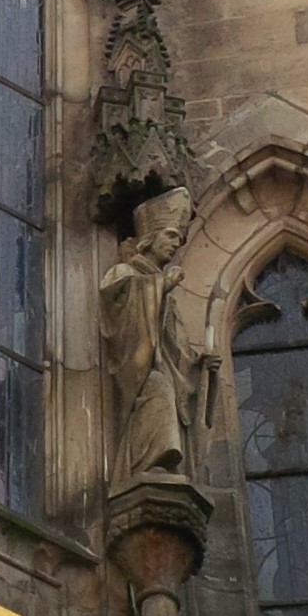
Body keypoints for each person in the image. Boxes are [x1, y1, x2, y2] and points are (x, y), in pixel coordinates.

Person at [99, 185, 200, 495]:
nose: (175, 244)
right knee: (159, 388)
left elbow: (176, 350)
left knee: (166, 388)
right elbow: (117, 310)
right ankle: (148, 463)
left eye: (178, 238)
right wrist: (159, 287)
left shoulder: (163, 289)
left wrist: (201, 365)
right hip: (143, 372)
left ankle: (159, 466)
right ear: (149, 237)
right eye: (170, 235)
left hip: (161, 368)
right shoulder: (123, 272)